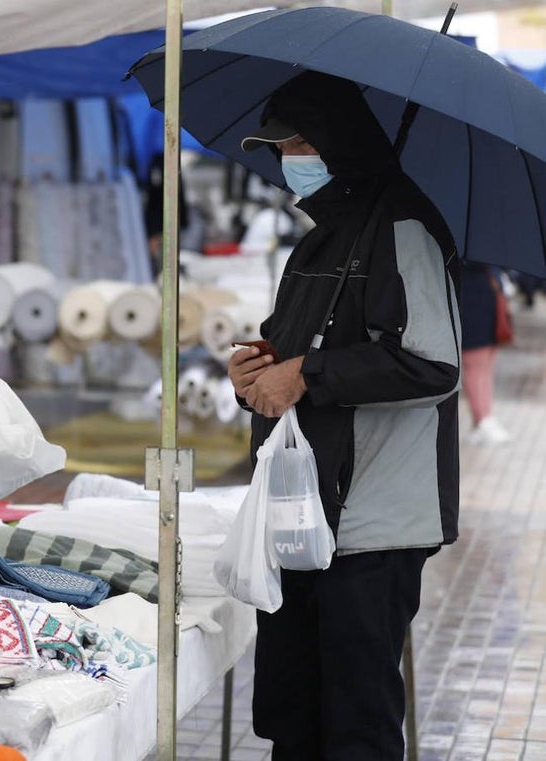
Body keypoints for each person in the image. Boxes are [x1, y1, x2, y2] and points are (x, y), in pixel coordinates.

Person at [226, 72, 461, 761]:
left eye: (300, 143)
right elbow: (295, 348)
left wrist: (306, 373)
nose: (287, 159)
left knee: (357, 724)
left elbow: (430, 363)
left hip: (372, 528)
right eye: (280, 147)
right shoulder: (319, 240)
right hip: (302, 515)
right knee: (289, 710)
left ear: (340, 144)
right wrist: (259, 370)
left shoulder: (404, 229)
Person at [460, 261, 512, 445]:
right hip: (469, 301)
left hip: (486, 299)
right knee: (474, 364)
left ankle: (484, 417)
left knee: (486, 364)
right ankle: (481, 419)